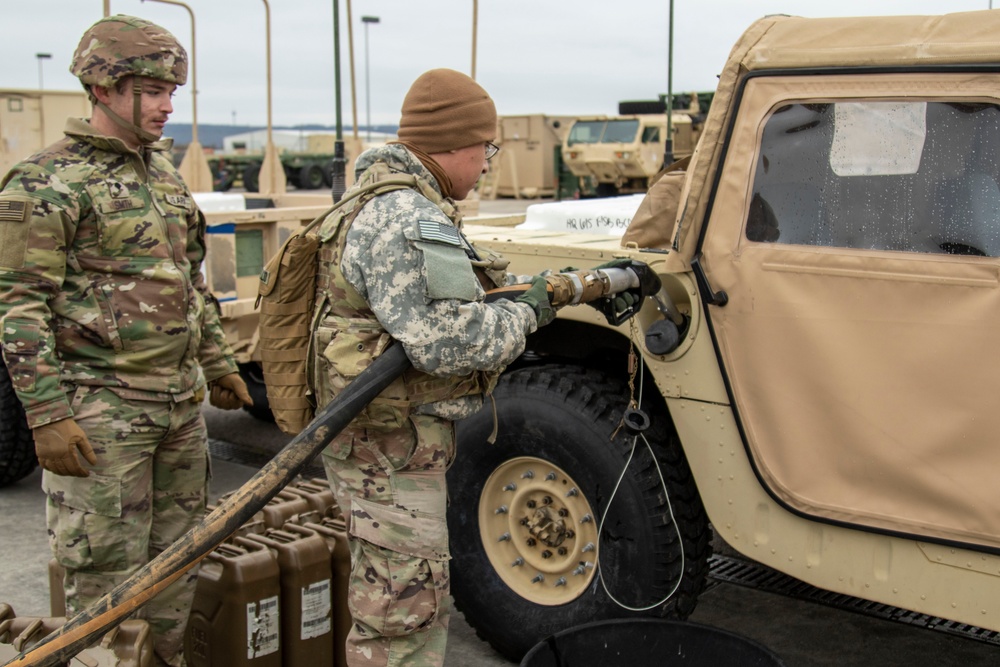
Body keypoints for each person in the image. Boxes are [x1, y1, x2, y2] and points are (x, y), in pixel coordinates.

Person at [0, 15, 251, 667]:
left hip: (177, 412)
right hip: (100, 419)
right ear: (104, 86)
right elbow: (18, 304)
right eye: (154, 89)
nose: (169, 104)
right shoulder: (46, 181)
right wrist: (48, 416)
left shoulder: (163, 177)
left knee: (176, 572)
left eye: (174, 89)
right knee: (105, 591)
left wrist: (219, 363)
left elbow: (190, 280)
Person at [311, 68, 555, 666]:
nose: (489, 163)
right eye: (487, 148)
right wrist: (526, 314)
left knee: (393, 600)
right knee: (401, 616)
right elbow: (449, 342)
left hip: (377, 441)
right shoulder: (406, 216)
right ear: (455, 144)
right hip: (390, 450)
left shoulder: (375, 201)